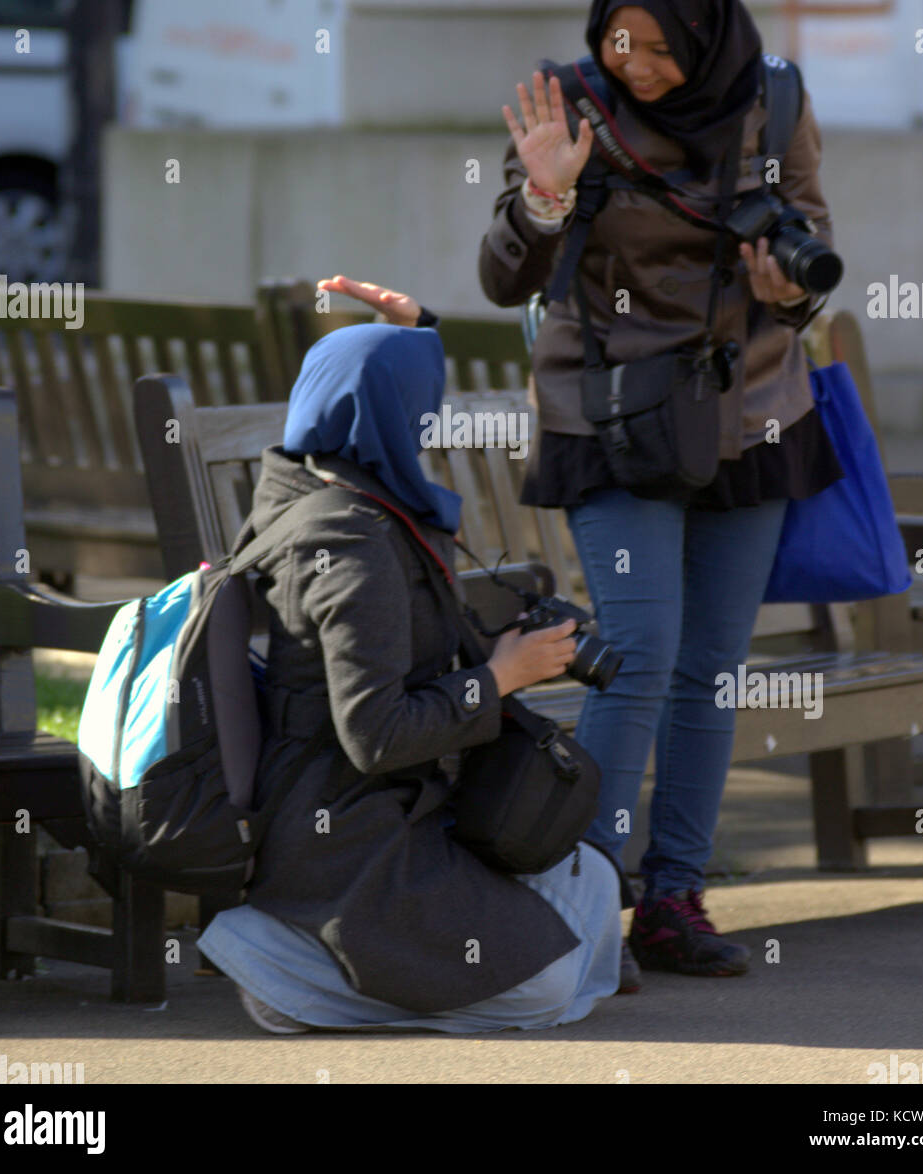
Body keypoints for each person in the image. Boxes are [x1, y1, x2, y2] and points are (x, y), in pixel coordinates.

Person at [476, 0, 843, 988]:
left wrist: (789, 290)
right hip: (611, 416)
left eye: (655, 47)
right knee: (635, 647)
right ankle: (590, 894)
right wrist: (541, 199)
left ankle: (673, 897)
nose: (634, 63)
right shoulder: (568, 104)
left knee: (709, 667)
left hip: (747, 413)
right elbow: (504, 276)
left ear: (704, 34)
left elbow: (811, 237)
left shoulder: (770, 100)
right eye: (617, 39)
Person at [197, 319, 622, 1033]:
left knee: (596, 883)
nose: (430, 423)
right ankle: (277, 964)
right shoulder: (349, 540)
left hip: (401, 809)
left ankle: (331, 959)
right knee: (548, 988)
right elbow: (376, 733)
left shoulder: (314, 489)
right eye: (424, 405)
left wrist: (497, 653)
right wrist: (501, 676)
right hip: (346, 832)